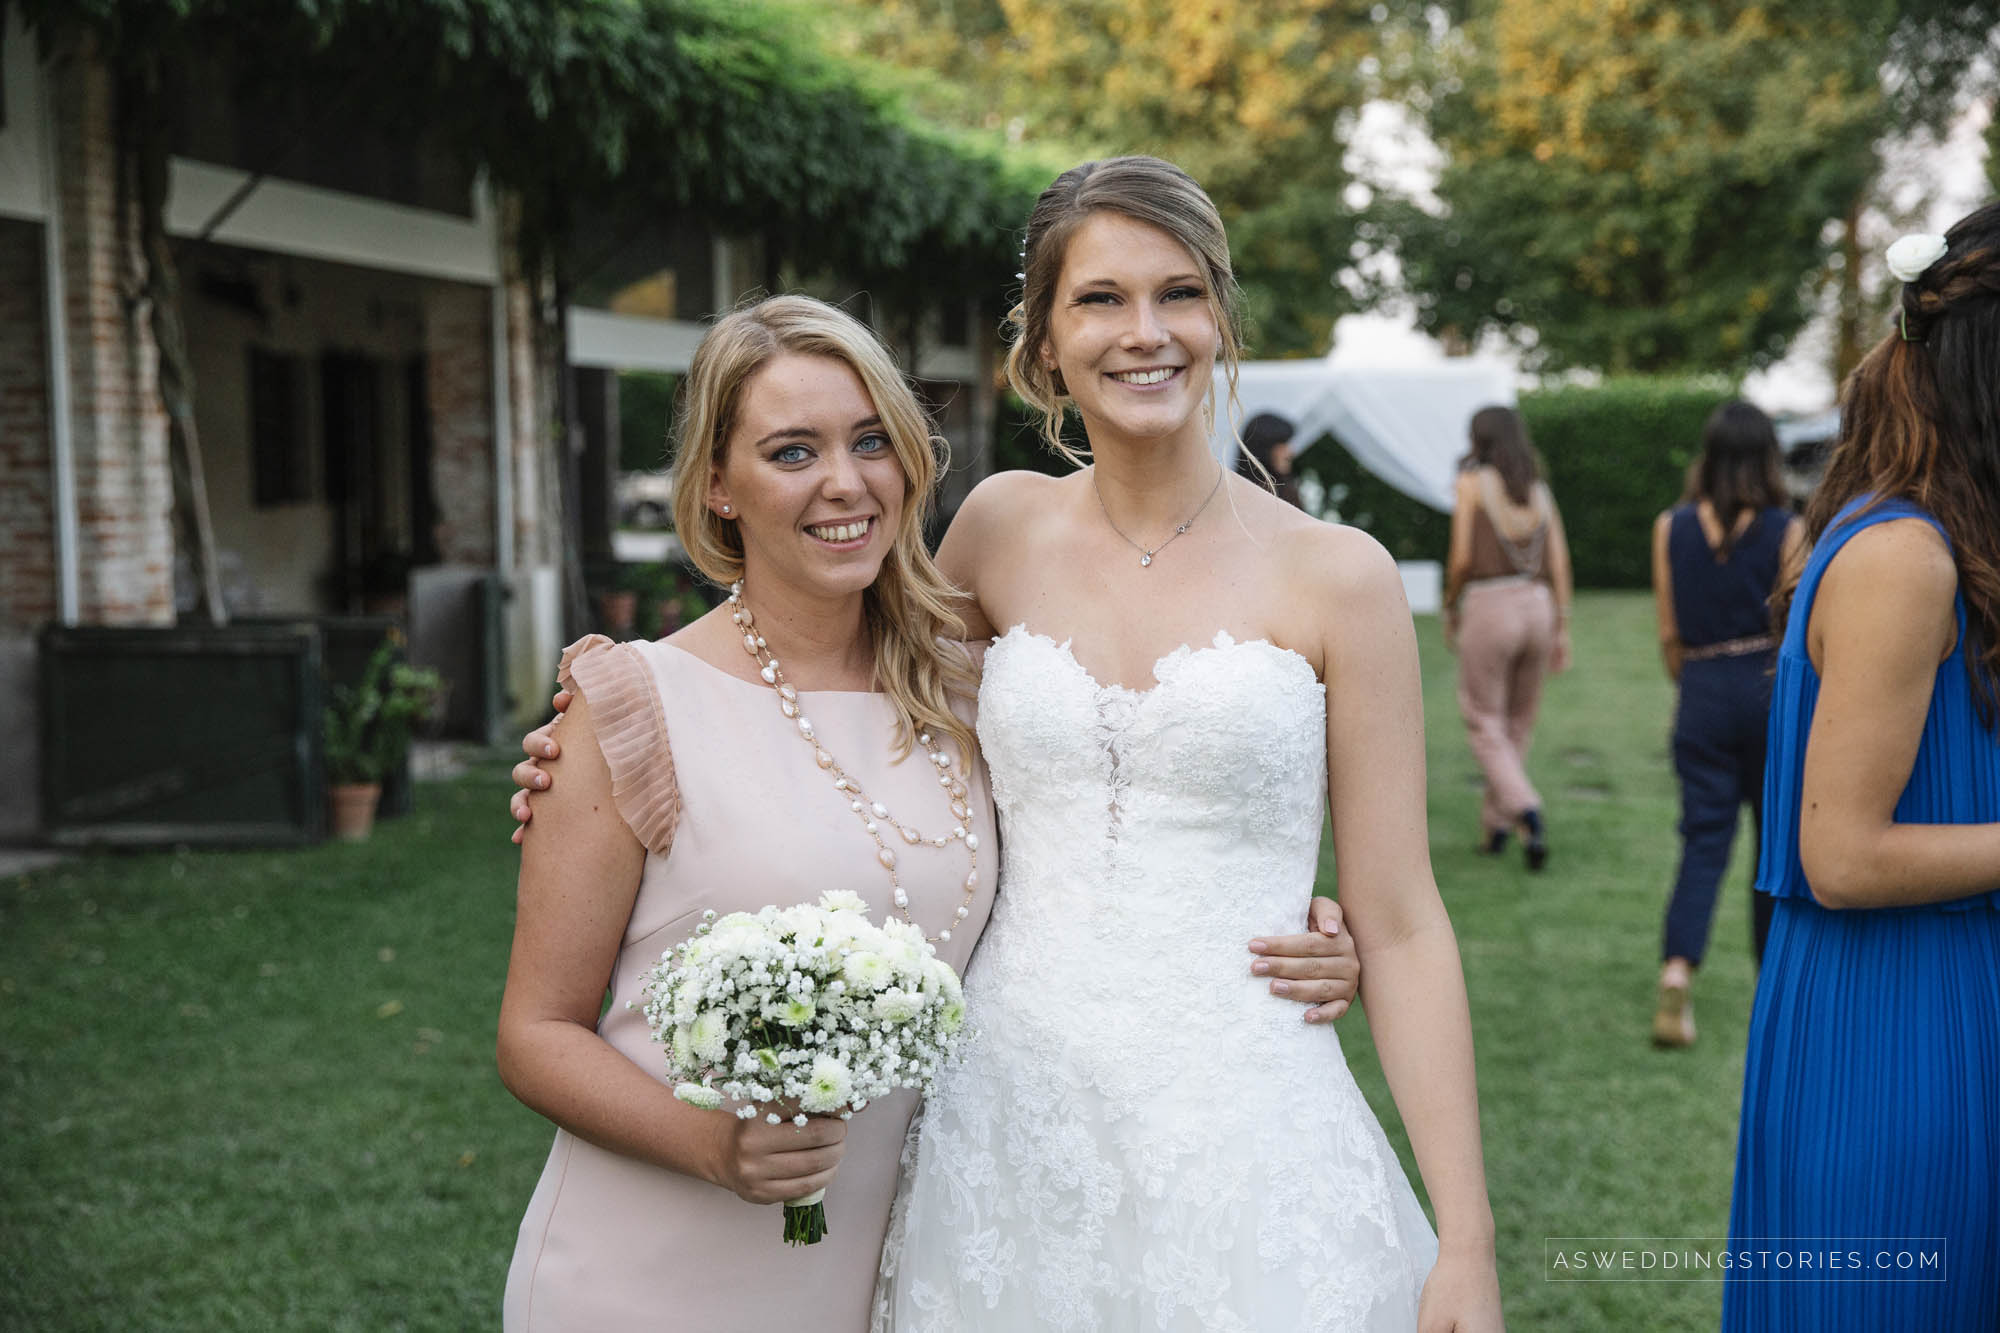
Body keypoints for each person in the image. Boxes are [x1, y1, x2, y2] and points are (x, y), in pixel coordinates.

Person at [514, 158, 1498, 1330]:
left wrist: (1466, 1236)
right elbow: (841, 676)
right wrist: (617, 726)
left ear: (1219, 319)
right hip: (1005, 1122)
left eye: (1179, 294)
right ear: (1041, 342)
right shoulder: (992, 532)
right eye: (1099, 299)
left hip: (1246, 1103)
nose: (1145, 333)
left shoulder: (1340, 576)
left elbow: (1400, 917)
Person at [1724, 209, 2000, 1330]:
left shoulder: (1948, 543)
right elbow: (1837, 851)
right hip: (1891, 1030)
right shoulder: (1901, 556)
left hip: (1950, 993)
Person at [1648, 401, 1803, 1047]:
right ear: (1768, 455)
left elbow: (1668, 635)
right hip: (1768, 688)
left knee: (1703, 842)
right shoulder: (1789, 528)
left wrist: (1701, 688)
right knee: (1776, 846)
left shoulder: (1669, 526)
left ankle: (1678, 969)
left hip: (1702, 690)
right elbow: (1796, 631)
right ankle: (1772, 988)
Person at [1442, 406, 1574, 869]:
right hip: (1538, 605)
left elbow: (1460, 559)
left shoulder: (1470, 484)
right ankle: (1496, 827)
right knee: (1519, 719)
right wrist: (1562, 625)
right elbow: (1559, 565)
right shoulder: (1538, 492)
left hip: (1491, 603)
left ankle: (1524, 807)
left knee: (1483, 717)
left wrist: (1449, 603)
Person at [1239, 409, 1303, 507]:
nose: (1290, 452)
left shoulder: (1286, 490)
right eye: (1283, 444)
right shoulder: (1244, 496)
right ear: (1263, 448)